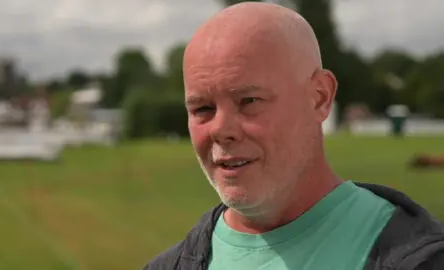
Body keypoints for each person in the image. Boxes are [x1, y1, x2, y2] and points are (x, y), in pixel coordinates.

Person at [144, 2, 444, 269]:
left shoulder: (420, 257)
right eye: (202, 109)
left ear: (319, 97)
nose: (221, 130)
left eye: (249, 101)